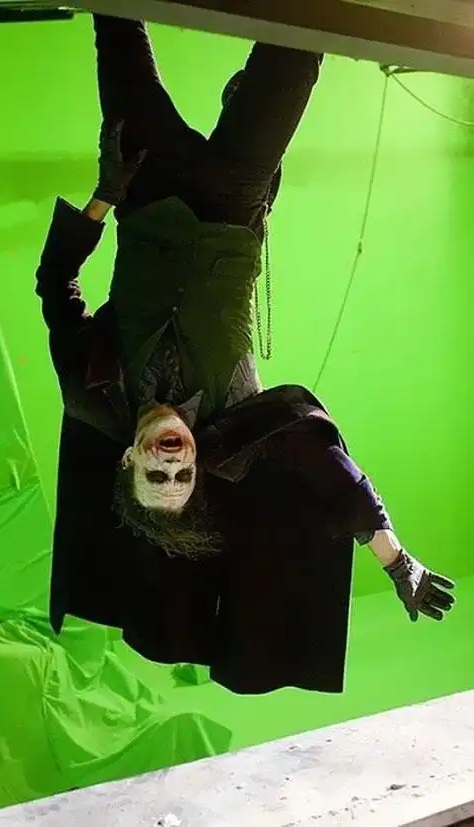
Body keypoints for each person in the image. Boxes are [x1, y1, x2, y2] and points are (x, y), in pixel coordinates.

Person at [37, 16, 455, 695]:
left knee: (116, 24)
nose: (172, 461)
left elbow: (56, 284)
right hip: (234, 200)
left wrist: (104, 194)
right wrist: (395, 559)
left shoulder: (93, 390)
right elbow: (336, 479)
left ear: (128, 460)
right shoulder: (234, 432)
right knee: (300, 46)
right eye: (182, 476)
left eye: (155, 473)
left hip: (144, 188)